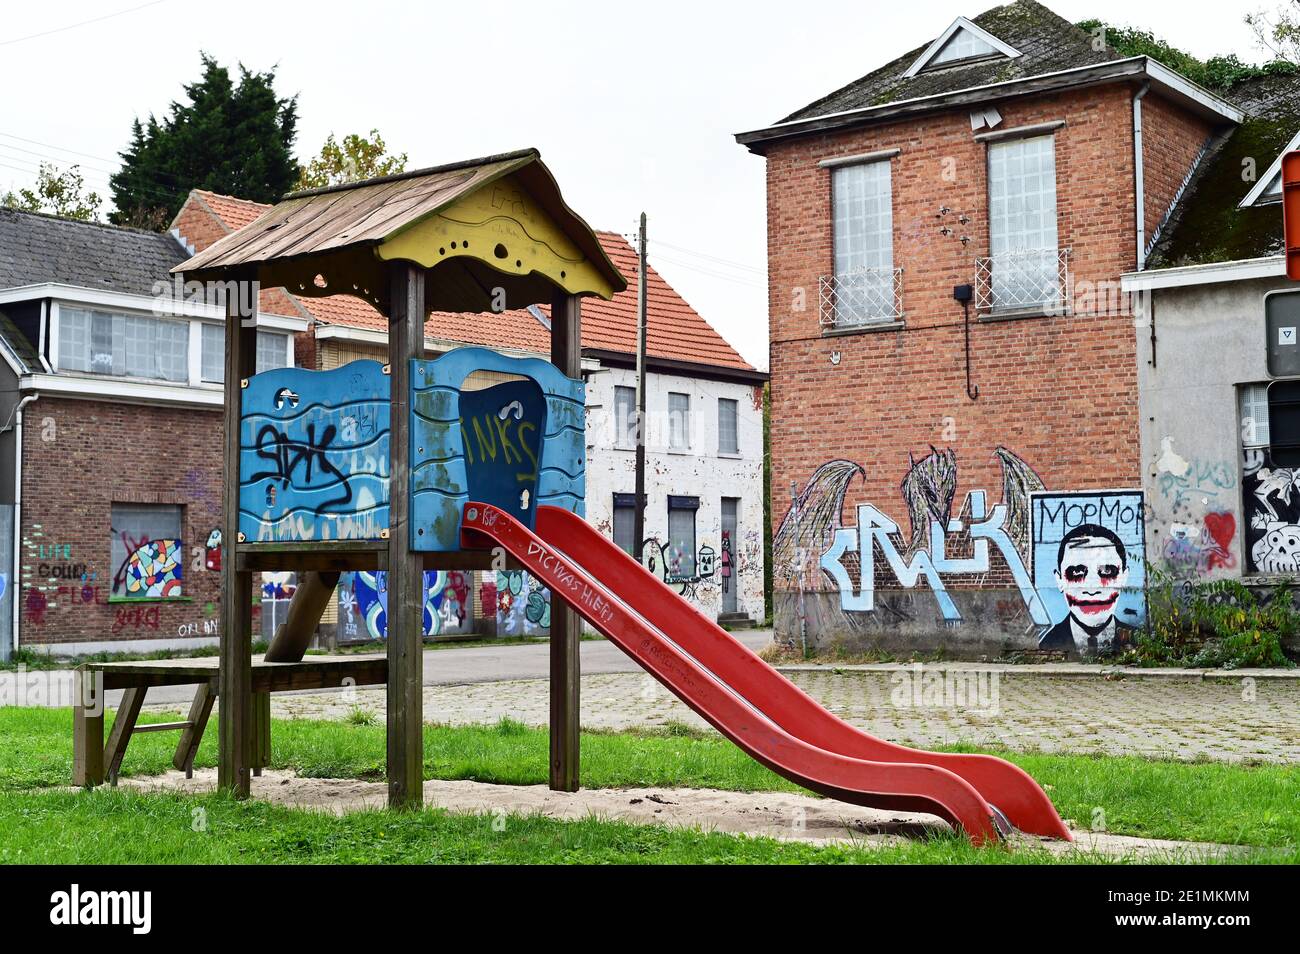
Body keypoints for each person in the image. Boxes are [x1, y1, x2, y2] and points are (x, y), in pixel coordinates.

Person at [1038, 523, 1135, 658]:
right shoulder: (1047, 644)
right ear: (1059, 580)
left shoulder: (1137, 639)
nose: (1092, 590)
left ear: (1124, 578)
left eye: (1107, 571)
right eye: (1076, 572)